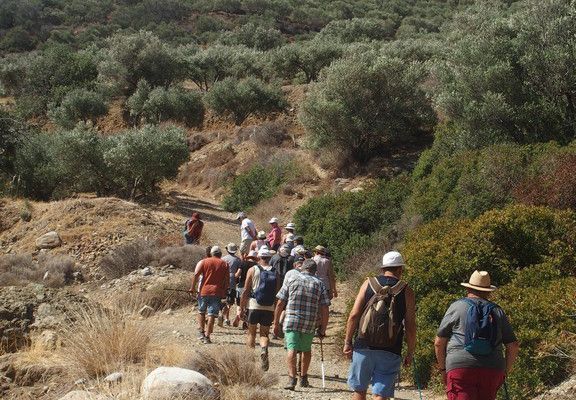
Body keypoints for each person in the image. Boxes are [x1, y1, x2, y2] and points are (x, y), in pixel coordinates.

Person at [434, 270, 520, 400]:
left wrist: (443, 370)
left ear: (468, 288)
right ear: (489, 292)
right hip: (492, 369)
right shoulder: (497, 310)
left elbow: (439, 342)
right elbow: (513, 346)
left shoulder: (457, 307)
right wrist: (505, 372)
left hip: (460, 368)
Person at [344, 251, 416, 400]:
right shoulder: (407, 290)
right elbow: (410, 325)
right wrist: (410, 351)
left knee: (359, 390)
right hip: (391, 348)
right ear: (400, 269)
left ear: (383, 269)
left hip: (364, 345)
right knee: (381, 394)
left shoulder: (368, 283)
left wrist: (347, 342)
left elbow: (354, 315)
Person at [274, 259, 330, 390]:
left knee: (291, 347)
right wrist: (323, 328)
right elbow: (325, 308)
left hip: (291, 320)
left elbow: (280, 302)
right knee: (306, 349)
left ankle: (292, 379)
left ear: (302, 268)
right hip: (309, 322)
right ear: (315, 271)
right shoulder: (319, 283)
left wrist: (276, 323)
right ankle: (303, 378)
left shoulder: (292, 279)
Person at [240, 246, 278, 371]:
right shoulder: (275, 271)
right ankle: (263, 349)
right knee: (264, 333)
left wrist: (241, 307)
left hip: (254, 305)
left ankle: (249, 361)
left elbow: (246, 290)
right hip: (269, 307)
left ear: (258, 257)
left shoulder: (252, 269)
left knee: (251, 332)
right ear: (269, 257)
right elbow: (277, 292)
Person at [189, 246, 229, 344]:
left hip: (203, 291)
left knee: (201, 311)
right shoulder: (225, 264)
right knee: (211, 314)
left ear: (211, 253)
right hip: (216, 292)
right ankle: (207, 336)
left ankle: (201, 332)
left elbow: (196, 275)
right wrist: (224, 291)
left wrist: (192, 288)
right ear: (220, 254)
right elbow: (227, 280)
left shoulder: (204, 262)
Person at [233, 250, 258, 329]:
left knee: (239, 303)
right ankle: (245, 322)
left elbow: (237, 275)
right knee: (247, 305)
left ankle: (238, 315)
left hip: (240, 286)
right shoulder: (256, 266)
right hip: (250, 287)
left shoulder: (243, 263)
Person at [222, 243, 242, 326]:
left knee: (224, 300)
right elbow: (239, 272)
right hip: (232, 282)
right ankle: (224, 317)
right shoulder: (238, 260)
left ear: (227, 250)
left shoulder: (223, 259)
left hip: (223, 281)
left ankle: (225, 318)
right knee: (229, 302)